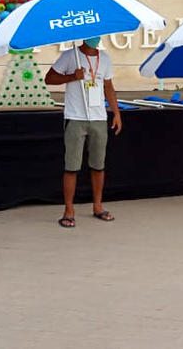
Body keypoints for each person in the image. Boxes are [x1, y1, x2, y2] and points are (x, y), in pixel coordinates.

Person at [45, 37, 122, 227]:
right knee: (72, 166)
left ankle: (97, 206)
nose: (97, 39)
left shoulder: (104, 58)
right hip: (76, 117)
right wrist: (72, 76)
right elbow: (49, 78)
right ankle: (68, 210)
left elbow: (108, 87)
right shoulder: (70, 55)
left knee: (98, 165)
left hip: (98, 117)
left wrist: (116, 113)